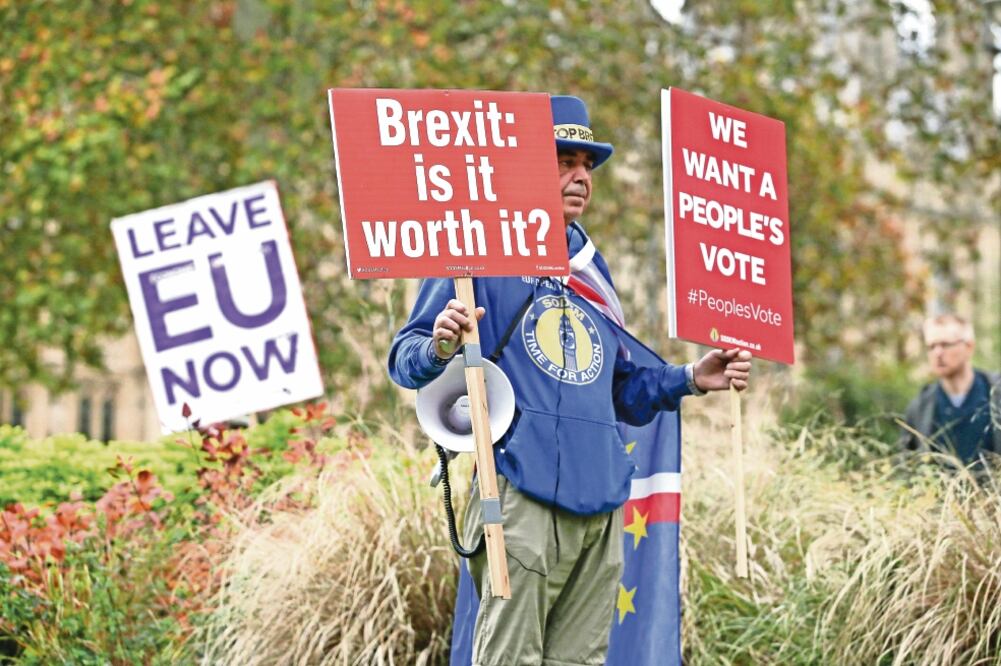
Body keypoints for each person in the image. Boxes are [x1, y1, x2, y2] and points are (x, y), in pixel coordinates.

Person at [388, 95, 752, 665]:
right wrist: (439, 344)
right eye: (564, 161)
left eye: (587, 165)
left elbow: (622, 393)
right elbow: (404, 358)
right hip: (519, 494)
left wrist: (688, 378)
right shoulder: (476, 251)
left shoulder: (594, 270)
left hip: (602, 503)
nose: (581, 176)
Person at [898, 313, 1000, 464]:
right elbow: (907, 465)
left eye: (945, 344)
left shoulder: (995, 393)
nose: (937, 353)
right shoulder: (921, 407)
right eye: (931, 346)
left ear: (969, 347)